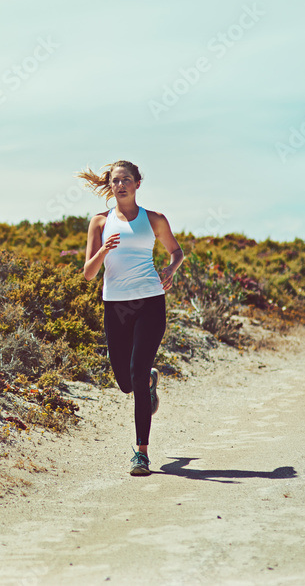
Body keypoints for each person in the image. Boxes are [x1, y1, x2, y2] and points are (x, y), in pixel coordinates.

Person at [79, 160, 185, 476]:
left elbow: (176, 252)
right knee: (126, 383)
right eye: (116, 180)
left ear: (138, 183)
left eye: (127, 179)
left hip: (150, 302)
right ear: (110, 186)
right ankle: (149, 381)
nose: (121, 185)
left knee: (136, 374)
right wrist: (103, 251)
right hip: (116, 307)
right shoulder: (99, 222)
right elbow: (88, 274)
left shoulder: (154, 219)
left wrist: (170, 269)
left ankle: (141, 453)